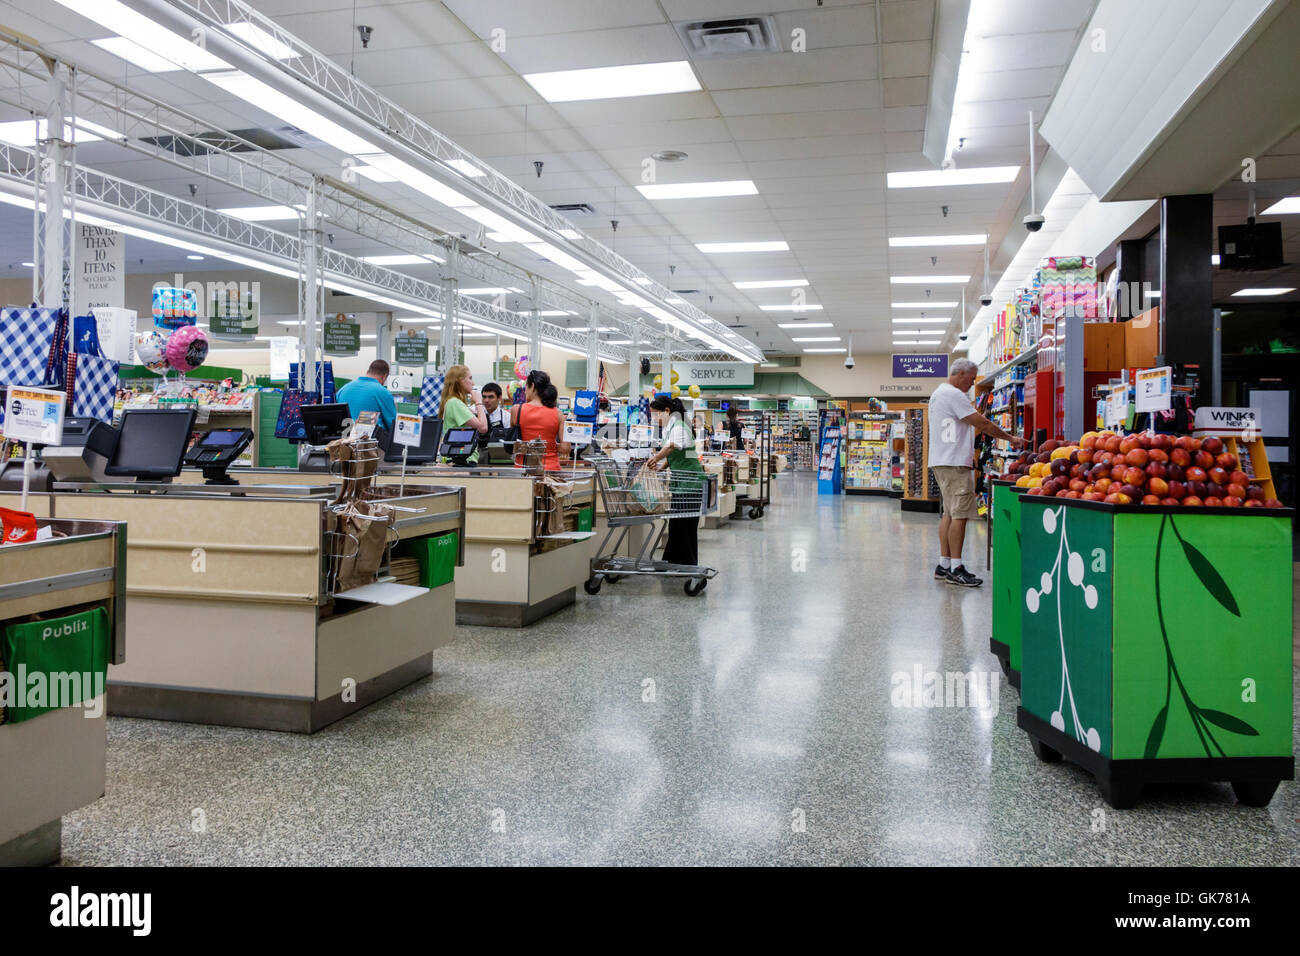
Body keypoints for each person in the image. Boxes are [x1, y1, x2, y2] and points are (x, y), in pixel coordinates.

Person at [928, 357, 1026, 587]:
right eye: (971, 378)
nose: (972, 383)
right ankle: (956, 568)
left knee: (949, 514)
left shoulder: (938, 393)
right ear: (960, 374)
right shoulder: (954, 395)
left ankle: (944, 565)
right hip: (953, 462)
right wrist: (1011, 438)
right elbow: (982, 424)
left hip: (942, 461)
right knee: (959, 515)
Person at [646, 395, 705, 572]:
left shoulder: (678, 427)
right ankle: (672, 561)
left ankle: (688, 564)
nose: (655, 419)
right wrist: (662, 467)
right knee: (677, 523)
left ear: (667, 411)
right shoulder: (672, 427)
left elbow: (672, 446)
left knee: (686, 525)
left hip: (691, 482)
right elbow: (674, 454)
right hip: (682, 482)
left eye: (656, 415)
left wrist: (655, 458)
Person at [511, 369, 568, 471]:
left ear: (532, 387)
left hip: (523, 468)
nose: (525, 391)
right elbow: (565, 449)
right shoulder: (558, 414)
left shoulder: (517, 410)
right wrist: (550, 446)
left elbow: (513, 440)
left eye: (526, 388)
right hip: (550, 469)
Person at [438, 365, 489, 464]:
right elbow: (483, 428)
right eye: (470, 378)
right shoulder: (455, 403)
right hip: (463, 459)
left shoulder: (452, 402)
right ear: (460, 381)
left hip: (459, 458)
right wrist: (478, 402)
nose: (473, 383)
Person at [336, 359, 397, 431]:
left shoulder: (343, 389)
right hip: (372, 440)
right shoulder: (383, 392)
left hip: (345, 439)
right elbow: (393, 424)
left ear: (367, 372)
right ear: (384, 376)